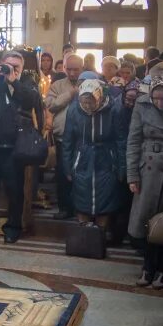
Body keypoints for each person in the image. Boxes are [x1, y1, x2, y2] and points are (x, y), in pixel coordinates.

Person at [0, 50, 43, 243]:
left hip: (14, 146)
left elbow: (31, 100)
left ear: (22, 68)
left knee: (14, 190)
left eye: (16, 67)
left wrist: (14, 81)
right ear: (0, 64)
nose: (11, 69)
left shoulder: (27, 83)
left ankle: (13, 227)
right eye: (8, 65)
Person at [62, 76, 128, 232]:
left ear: (99, 96)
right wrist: (67, 166)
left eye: (91, 101)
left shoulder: (113, 109)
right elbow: (68, 141)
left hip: (105, 159)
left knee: (106, 197)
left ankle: (100, 234)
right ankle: (85, 234)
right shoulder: (73, 110)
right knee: (81, 195)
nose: (87, 105)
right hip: (82, 159)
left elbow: (121, 141)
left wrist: (121, 167)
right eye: (84, 102)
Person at [129, 66, 163, 287]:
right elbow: (133, 141)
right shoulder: (141, 105)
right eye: (157, 99)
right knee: (148, 222)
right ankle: (148, 267)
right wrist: (133, 175)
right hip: (148, 170)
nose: (160, 104)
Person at [45, 53, 84, 218]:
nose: (72, 73)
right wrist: (70, 95)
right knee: (62, 174)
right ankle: (64, 208)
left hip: (84, 138)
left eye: (76, 69)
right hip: (62, 138)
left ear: (82, 68)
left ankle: (81, 208)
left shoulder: (89, 83)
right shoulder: (58, 85)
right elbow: (51, 105)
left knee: (81, 174)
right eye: (69, 69)